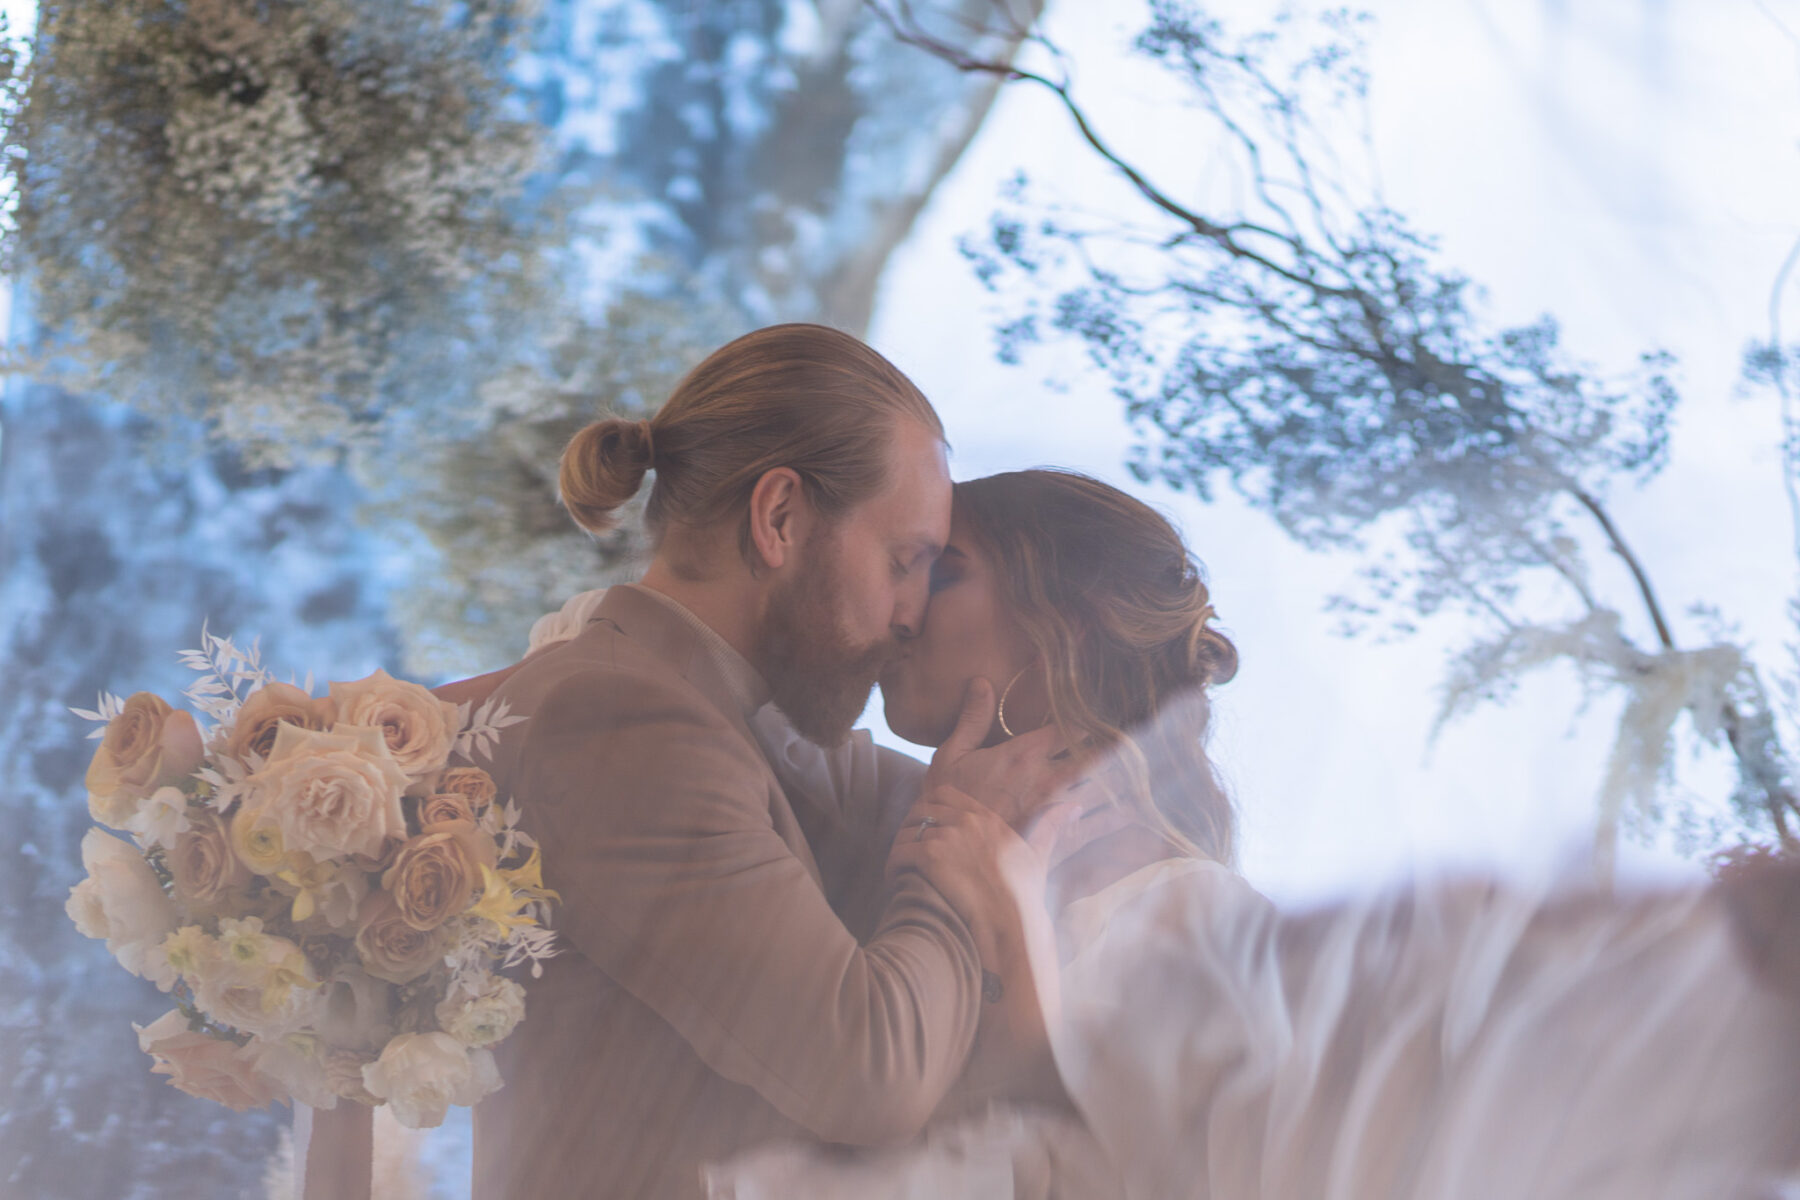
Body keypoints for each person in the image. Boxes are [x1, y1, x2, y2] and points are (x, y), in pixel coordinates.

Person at [700, 469, 1800, 1199]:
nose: (901, 605)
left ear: (1060, 620)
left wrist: (999, 932)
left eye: (944, 569)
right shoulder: (865, 800)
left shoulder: (1180, 912)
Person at [297, 326, 1080, 1200]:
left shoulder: (713, 712)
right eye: (904, 562)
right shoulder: (625, 722)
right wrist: (962, 855)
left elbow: (922, 795)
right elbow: (870, 1075)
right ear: (779, 519)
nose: (910, 614)